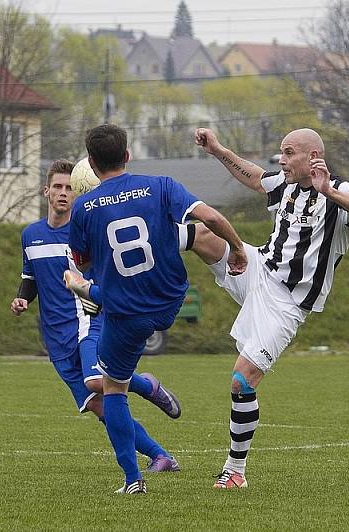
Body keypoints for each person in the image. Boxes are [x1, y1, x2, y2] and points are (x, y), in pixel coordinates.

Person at [192, 127, 349, 489]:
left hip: (288, 304)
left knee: (241, 381)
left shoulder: (340, 191)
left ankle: (235, 471)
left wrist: (329, 191)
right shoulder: (284, 184)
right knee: (200, 235)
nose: (282, 159)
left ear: (313, 157)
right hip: (258, 270)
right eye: (281, 152)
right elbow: (255, 177)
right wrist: (217, 149)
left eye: (289, 152)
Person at [68, 124, 247, 495]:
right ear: (128, 155)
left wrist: (84, 277)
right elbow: (211, 218)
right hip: (170, 301)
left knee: (112, 387)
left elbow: (82, 261)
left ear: (91, 165)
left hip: (126, 314)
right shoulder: (162, 185)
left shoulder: (84, 207)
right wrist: (239, 249)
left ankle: (133, 480)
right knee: (185, 235)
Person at [10, 159, 183, 476]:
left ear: (78, 193)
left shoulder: (86, 230)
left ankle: (146, 386)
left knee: (97, 381)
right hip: (56, 337)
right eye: (58, 187)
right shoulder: (30, 234)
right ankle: (161, 456)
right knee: (99, 405)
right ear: (46, 191)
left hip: (88, 321)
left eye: (69, 188)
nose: (63, 193)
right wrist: (22, 297)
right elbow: (30, 277)